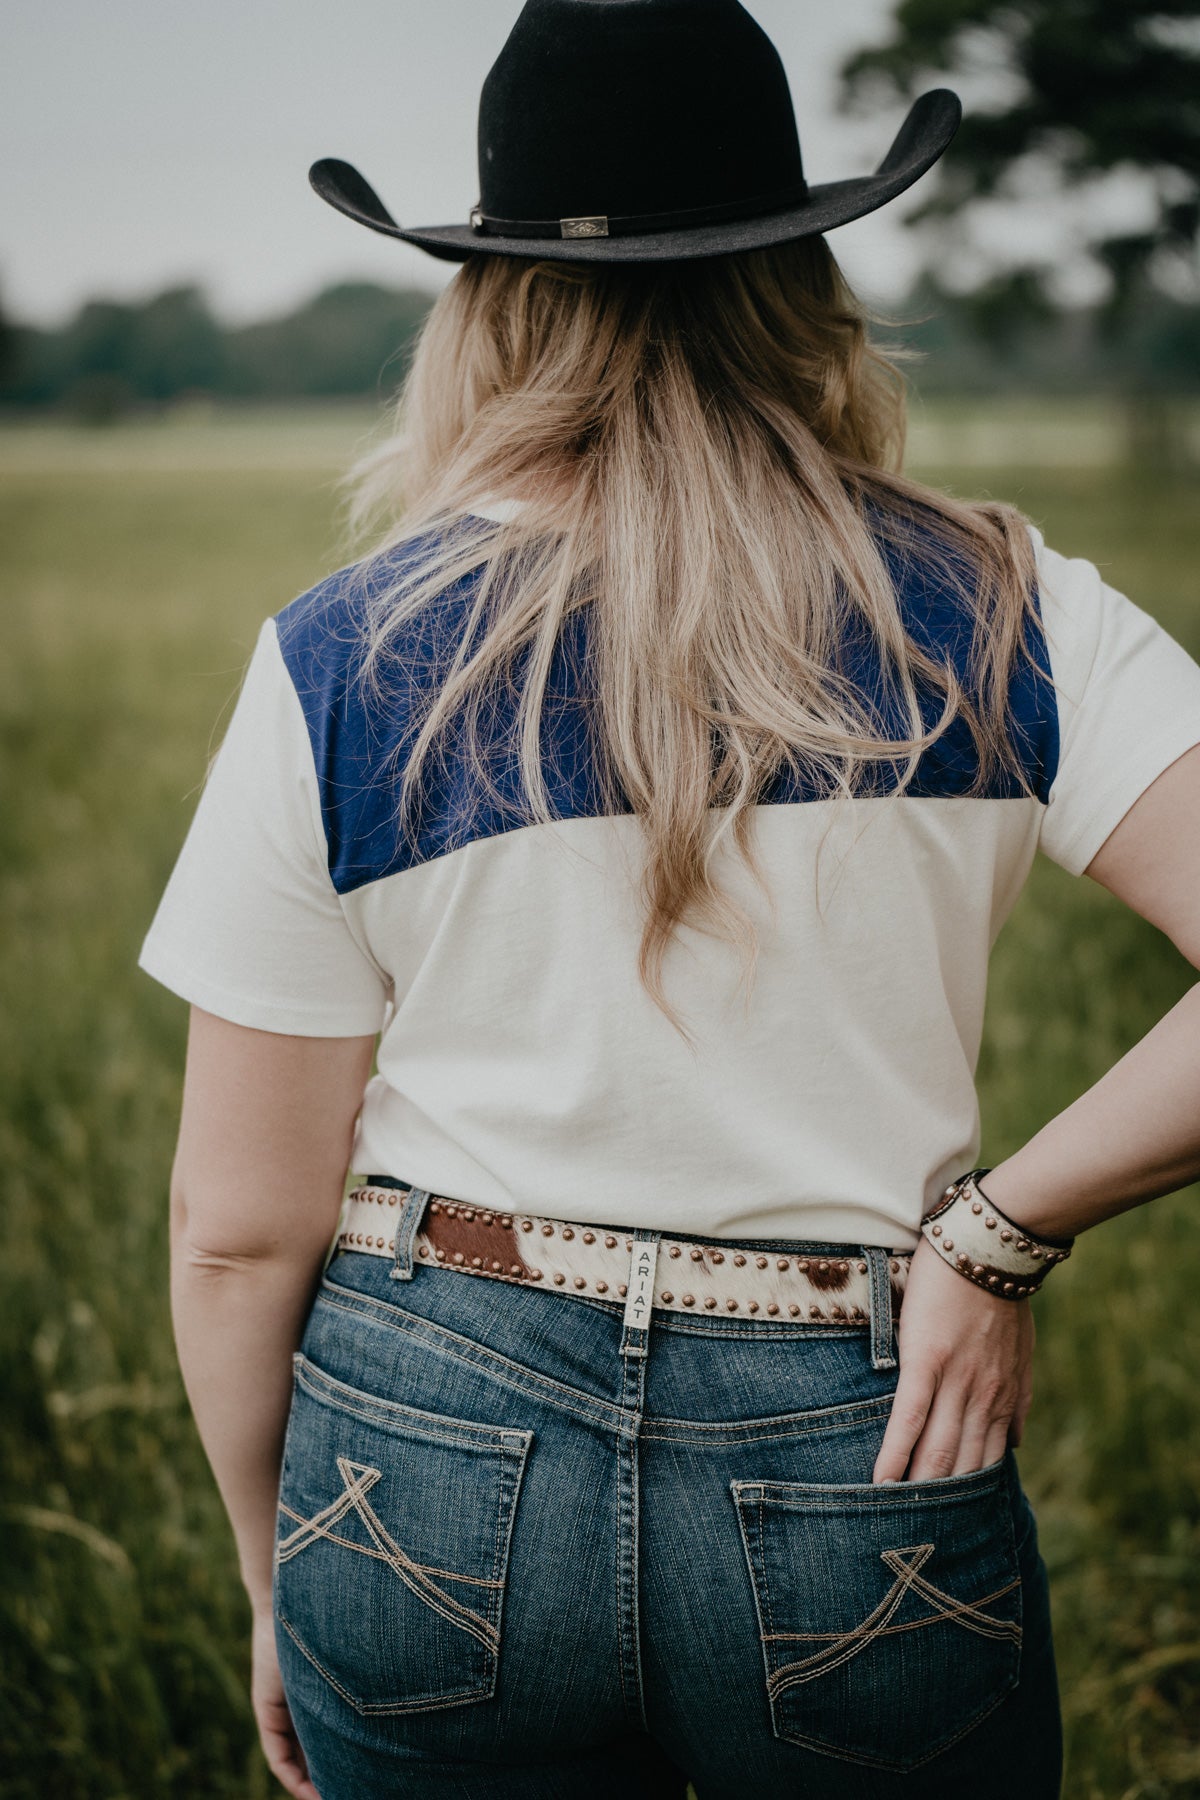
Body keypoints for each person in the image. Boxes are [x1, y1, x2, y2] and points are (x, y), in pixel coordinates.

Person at [137, 2, 1200, 1796]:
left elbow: (236, 1233)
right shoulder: (1017, 609)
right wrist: (999, 1231)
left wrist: (280, 1577)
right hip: (861, 1435)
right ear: (802, 282)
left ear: (490, 305)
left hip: (423, 1444)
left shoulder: (343, 658)